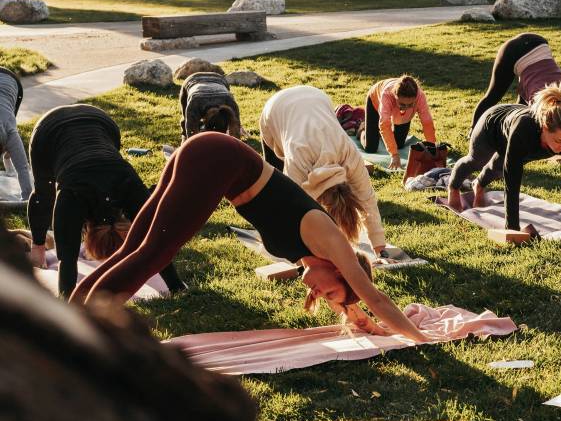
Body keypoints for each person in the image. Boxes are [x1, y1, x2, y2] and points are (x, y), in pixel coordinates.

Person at [70, 131, 429, 343]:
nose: (320, 295)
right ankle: (79, 329)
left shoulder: (314, 257)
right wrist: (420, 337)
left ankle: (69, 317)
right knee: (153, 254)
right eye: (330, 292)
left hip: (211, 154)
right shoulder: (331, 242)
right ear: (340, 269)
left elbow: (352, 301)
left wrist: (365, 321)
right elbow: (376, 298)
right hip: (218, 160)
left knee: (136, 248)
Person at [26, 104, 186, 298]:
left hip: (101, 121)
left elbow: (157, 240)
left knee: (46, 195)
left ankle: (177, 289)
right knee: (45, 191)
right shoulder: (73, 194)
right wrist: (39, 246)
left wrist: (178, 288)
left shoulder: (124, 184)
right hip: (49, 132)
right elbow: (154, 241)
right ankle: (37, 249)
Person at [260, 85, 387, 257]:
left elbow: (367, 201)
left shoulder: (350, 156)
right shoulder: (299, 161)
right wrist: (302, 256)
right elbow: (290, 211)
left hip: (316, 97)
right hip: (275, 109)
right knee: (273, 190)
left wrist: (380, 249)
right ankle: (269, 232)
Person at [447, 78, 561, 232]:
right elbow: (512, 181)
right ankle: (453, 187)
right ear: (545, 127)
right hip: (491, 126)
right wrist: (512, 228)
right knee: (476, 161)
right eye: (559, 141)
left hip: (515, 136)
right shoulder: (524, 130)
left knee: (497, 168)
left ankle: (479, 185)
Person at [472, 33, 561, 152]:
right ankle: (473, 132)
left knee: (522, 108)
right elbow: (536, 126)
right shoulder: (539, 100)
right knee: (493, 96)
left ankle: (510, 136)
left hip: (539, 42)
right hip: (513, 51)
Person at [362, 75, 437, 170]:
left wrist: (432, 148)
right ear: (395, 96)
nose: (406, 107)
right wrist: (394, 154)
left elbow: (427, 122)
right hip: (375, 101)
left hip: (401, 115)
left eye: (410, 104)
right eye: (402, 104)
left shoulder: (420, 96)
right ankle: (362, 128)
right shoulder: (387, 95)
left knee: (399, 145)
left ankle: (379, 133)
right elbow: (385, 125)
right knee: (371, 148)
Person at [178, 72, 242, 142]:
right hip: (192, 80)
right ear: (205, 121)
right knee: (186, 120)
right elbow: (191, 135)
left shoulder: (230, 103)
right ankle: (183, 138)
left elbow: (236, 132)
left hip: (220, 80)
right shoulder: (194, 104)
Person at [0, 66, 31, 199]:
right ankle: (8, 162)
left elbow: (23, 168)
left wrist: (27, 198)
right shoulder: (11, 134)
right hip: (10, 80)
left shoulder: (11, 134)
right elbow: (22, 168)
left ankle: (8, 161)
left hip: (12, 81)